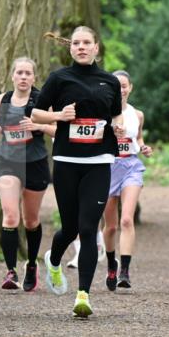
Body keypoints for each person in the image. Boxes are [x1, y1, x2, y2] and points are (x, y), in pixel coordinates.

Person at [31, 26, 124, 318]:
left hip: (99, 162)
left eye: (87, 43)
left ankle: (82, 295)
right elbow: (34, 113)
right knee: (69, 228)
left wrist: (118, 125)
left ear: (97, 47)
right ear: (70, 48)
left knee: (87, 230)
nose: (81, 47)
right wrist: (59, 116)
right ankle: (54, 259)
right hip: (67, 162)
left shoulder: (109, 81)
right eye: (76, 43)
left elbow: (117, 112)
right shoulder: (60, 78)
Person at [0, 57, 55, 292]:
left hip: (35, 162)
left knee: (31, 220)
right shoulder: (1, 100)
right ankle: (10, 271)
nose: (24, 77)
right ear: (13, 76)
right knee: (10, 215)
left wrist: (38, 126)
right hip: (6, 162)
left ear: (34, 77)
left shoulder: (42, 101)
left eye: (28, 73)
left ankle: (31, 264)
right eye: (20, 73)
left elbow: (57, 128)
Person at [102, 70, 153, 291]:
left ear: (130, 88)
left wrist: (143, 146)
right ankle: (111, 264)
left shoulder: (137, 114)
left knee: (126, 221)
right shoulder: (102, 112)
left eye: (124, 85)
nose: (120, 89)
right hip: (107, 167)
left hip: (131, 166)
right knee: (111, 226)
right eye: (116, 85)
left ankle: (124, 271)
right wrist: (111, 132)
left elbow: (138, 136)